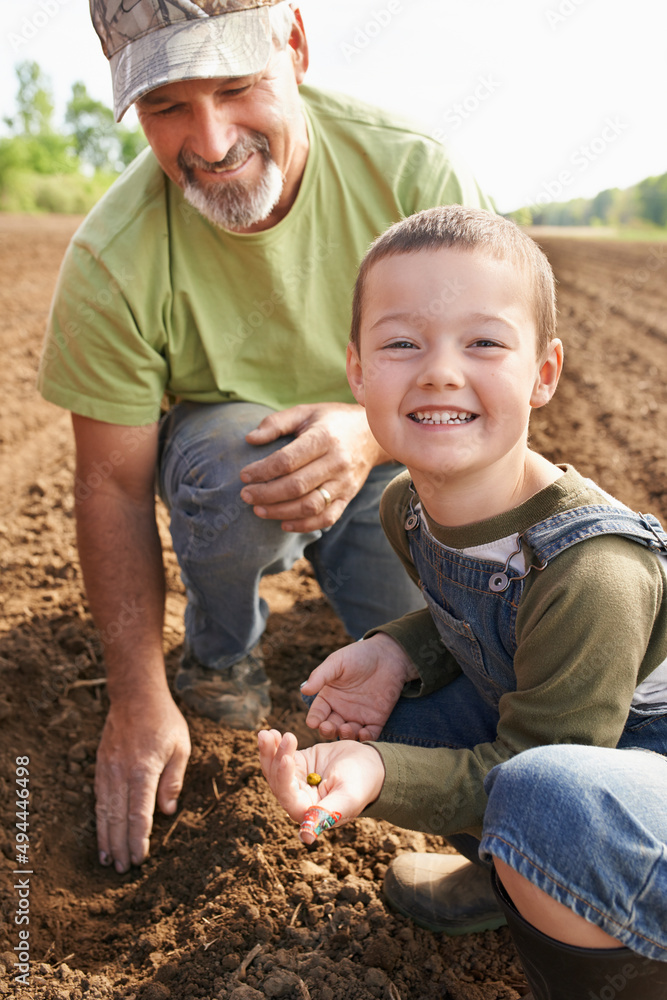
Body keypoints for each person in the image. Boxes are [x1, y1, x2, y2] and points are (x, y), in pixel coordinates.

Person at [37, 0, 492, 875]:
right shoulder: (114, 258)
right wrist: (136, 699)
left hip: (405, 468)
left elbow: (499, 386)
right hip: (239, 474)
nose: (207, 141)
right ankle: (219, 659)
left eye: (238, 87)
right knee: (230, 455)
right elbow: (111, 488)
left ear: (295, 44)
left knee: (453, 680)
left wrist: (370, 431)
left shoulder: (411, 178)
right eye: (167, 106)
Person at [259, 206, 667, 999]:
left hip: (634, 778)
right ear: (357, 372)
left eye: (482, 342)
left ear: (542, 373)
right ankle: (511, 881)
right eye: (402, 342)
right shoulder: (407, 508)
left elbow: (537, 765)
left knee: (543, 803)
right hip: (587, 749)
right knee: (394, 709)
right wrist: (398, 649)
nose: (440, 371)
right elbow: (476, 615)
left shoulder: (594, 571)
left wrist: (378, 772)